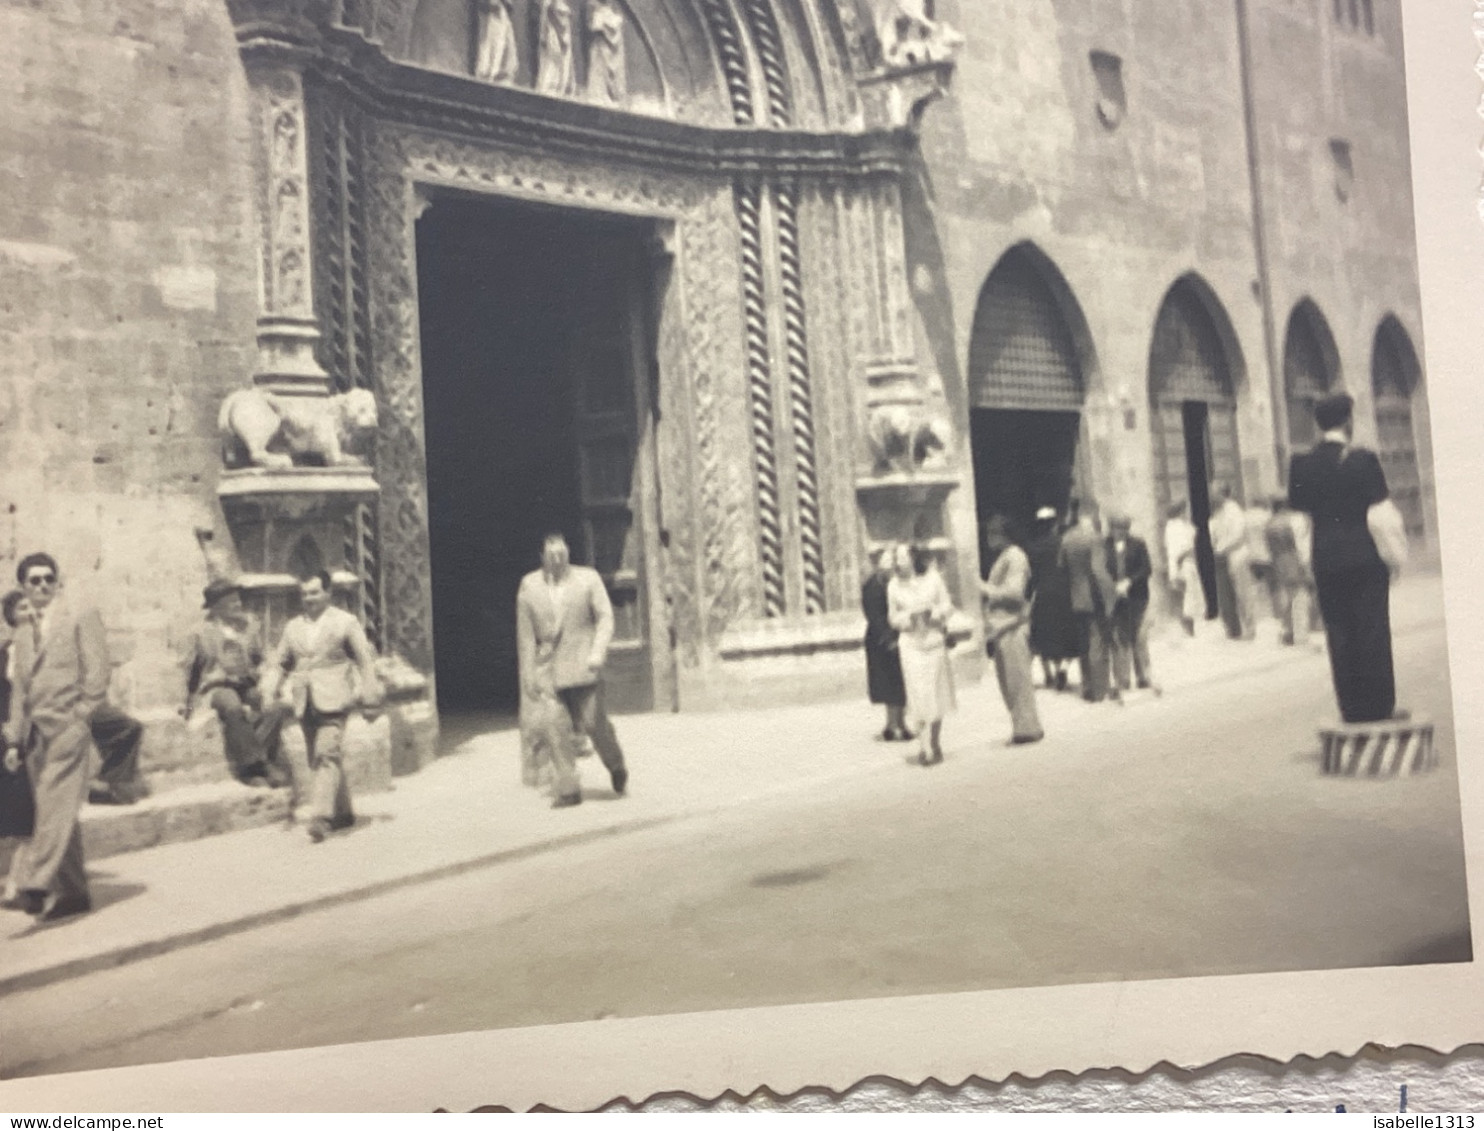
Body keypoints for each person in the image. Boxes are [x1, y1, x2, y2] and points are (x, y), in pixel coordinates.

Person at [1, 553, 109, 921]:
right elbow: (20, 692)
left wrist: (80, 717)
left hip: (67, 729)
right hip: (35, 737)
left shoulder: (80, 616)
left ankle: (34, 882)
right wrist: (15, 741)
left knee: (50, 807)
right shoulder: (23, 631)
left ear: (57, 581)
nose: (43, 585)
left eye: (49, 578)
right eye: (34, 581)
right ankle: (75, 892)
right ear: (23, 587)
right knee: (61, 812)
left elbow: (97, 673)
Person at [1288, 393, 1398, 723]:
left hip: (1326, 561)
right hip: (1365, 560)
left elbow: (1300, 523)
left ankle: (1350, 707)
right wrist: (1393, 558)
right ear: (1348, 421)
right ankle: (1378, 706)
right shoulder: (1363, 460)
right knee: (1372, 628)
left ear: (1318, 424)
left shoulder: (1301, 464)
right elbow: (1382, 517)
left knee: (1338, 631)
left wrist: (1309, 562)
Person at [263, 571, 383, 843]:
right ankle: (343, 812)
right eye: (305, 594)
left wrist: (370, 693)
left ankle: (320, 818)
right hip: (304, 701)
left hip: (335, 698)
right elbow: (281, 661)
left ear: (328, 593)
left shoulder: (345, 622)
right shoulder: (293, 626)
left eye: (315, 593)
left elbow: (364, 660)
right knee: (320, 758)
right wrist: (270, 687)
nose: (309, 599)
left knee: (325, 753)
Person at [515, 532, 629, 809]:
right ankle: (568, 788)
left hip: (583, 663)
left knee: (593, 723)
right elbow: (526, 637)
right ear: (542, 557)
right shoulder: (529, 587)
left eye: (562, 554)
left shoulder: (587, 579)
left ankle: (615, 763)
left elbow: (605, 617)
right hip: (549, 669)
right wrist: (528, 675)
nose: (557, 559)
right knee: (555, 726)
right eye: (551, 555)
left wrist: (598, 651)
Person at [184, 577, 291, 789]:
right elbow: (189, 671)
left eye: (237, 599)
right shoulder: (202, 633)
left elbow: (262, 659)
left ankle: (254, 761)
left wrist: (267, 679)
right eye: (231, 601)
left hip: (247, 683)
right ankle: (255, 768)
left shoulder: (248, 628)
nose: (237, 604)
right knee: (231, 705)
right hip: (216, 686)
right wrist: (186, 703)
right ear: (216, 607)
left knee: (273, 707)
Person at [887, 542, 956, 766]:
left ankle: (935, 741)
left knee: (936, 694)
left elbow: (947, 605)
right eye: (896, 558)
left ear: (913, 558)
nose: (898, 562)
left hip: (934, 642)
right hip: (911, 644)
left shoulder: (933, 579)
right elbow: (892, 617)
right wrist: (907, 619)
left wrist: (934, 614)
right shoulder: (893, 586)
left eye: (902, 557)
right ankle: (924, 747)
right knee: (918, 695)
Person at [979, 517, 1043, 745]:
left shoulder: (1014, 557)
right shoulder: (1005, 557)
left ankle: (1027, 728)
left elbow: (1015, 591)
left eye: (992, 534)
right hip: (1002, 626)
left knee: (1017, 680)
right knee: (1008, 680)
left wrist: (985, 588)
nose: (989, 539)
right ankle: (1023, 726)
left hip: (1012, 625)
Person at [1060, 501, 1118, 702]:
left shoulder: (1066, 538)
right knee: (1097, 643)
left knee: (1084, 644)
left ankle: (1087, 687)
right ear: (1090, 515)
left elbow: (1062, 569)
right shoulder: (1094, 539)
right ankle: (1100, 689)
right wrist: (1110, 596)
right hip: (1095, 598)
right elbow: (1098, 571)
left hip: (1075, 598)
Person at [1025, 506, 1079, 690]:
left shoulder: (1033, 548)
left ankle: (1049, 675)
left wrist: (1027, 597)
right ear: (1054, 523)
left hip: (1043, 595)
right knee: (1066, 635)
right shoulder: (1063, 543)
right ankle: (1062, 668)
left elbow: (1031, 577)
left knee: (1043, 637)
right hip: (1064, 594)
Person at [1105, 514, 1157, 694]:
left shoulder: (1138, 544)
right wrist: (1112, 586)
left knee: (1139, 637)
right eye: (1115, 528)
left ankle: (1143, 676)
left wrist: (1129, 581)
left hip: (1137, 597)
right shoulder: (1105, 546)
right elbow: (1101, 570)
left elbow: (1146, 569)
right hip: (1116, 598)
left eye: (1122, 529)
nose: (1118, 532)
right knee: (1121, 639)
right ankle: (1123, 680)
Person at [861, 547, 908, 741]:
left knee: (900, 683)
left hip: (896, 637)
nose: (892, 567)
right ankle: (892, 725)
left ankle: (900, 723)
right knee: (890, 685)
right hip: (882, 640)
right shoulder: (874, 585)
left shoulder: (893, 584)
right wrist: (888, 638)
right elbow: (875, 616)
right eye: (888, 563)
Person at [0, 590, 34, 842]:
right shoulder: (4, 653)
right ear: (11, 616)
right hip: (13, 729)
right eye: (23, 608)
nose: (30, 613)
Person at [1265, 496, 1313, 647]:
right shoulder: (1294, 521)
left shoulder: (1270, 524)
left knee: (1289, 597)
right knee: (1300, 597)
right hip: (1294, 560)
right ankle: (1301, 636)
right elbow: (1301, 545)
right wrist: (1306, 565)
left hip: (1278, 562)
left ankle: (1287, 632)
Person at [1208, 485, 1255, 641]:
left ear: (1222, 494)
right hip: (1221, 557)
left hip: (1236, 555)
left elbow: (1238, 534)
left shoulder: (1233, 510)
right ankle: (1233, 630)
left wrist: (1221, 547)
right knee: (1225, 596)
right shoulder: (1217, 513)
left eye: (1214, 494)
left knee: (1242, 593)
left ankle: (1249, 628)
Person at [1162, 499, 1203, 636]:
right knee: (1187, 594)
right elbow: (1183, 547)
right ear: (1180, 512)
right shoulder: (1178, 526)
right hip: (1183, 562)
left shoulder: (1172, 526)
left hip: (1178, 562)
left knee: (1183, 594)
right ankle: (1188, 626)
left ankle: (1188, 626)